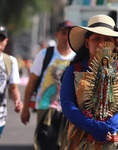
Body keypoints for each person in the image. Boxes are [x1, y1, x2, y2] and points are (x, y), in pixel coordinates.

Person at [60, 14, 118, 150]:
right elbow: (68, 105)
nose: (102, 43)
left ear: (114, 44)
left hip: (116, 142)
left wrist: (110, 125)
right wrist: (92, 126)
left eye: (107, 39)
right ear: (87, 42)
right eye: (96, 39)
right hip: (80, 142)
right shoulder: (73, 71)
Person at [20, 20, 76, 150]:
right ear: (56, 34)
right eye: (63, 33)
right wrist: (25, 109)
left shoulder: (77, 57)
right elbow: (32, 82)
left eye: (69, 34)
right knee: (44, 144)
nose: (66, 37)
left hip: (69, 111)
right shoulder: (45, 54)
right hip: (46, 107)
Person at [0, 25, 23, 138]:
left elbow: (13, 88)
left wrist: (17, 100)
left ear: (6, 41)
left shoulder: (10, 61)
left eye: (1, 38)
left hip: (1, 117)